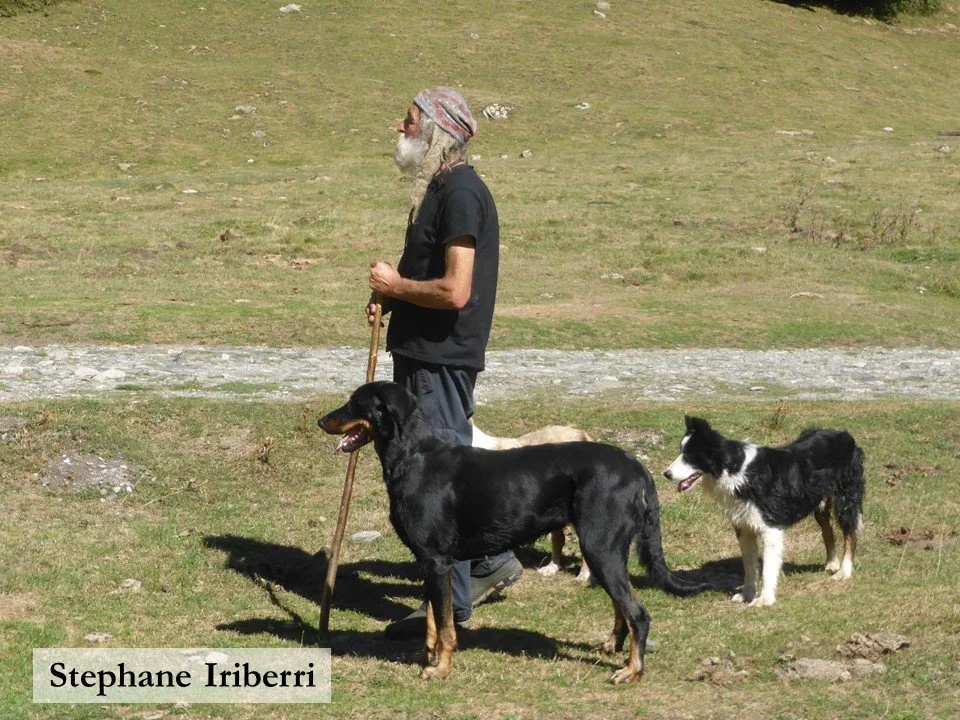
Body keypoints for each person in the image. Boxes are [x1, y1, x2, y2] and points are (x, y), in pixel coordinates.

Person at [366, 87, 522, 638]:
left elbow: (456, 291)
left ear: (436, 130)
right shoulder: (438, 190)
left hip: (439, 359)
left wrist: (396, 284)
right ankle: (488, 563)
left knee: (437, 480)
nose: (400, 127)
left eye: (409, 120)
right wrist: (393, 296)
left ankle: (451, 609)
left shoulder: (460, 193)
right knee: (449, 467)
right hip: (423, 354)